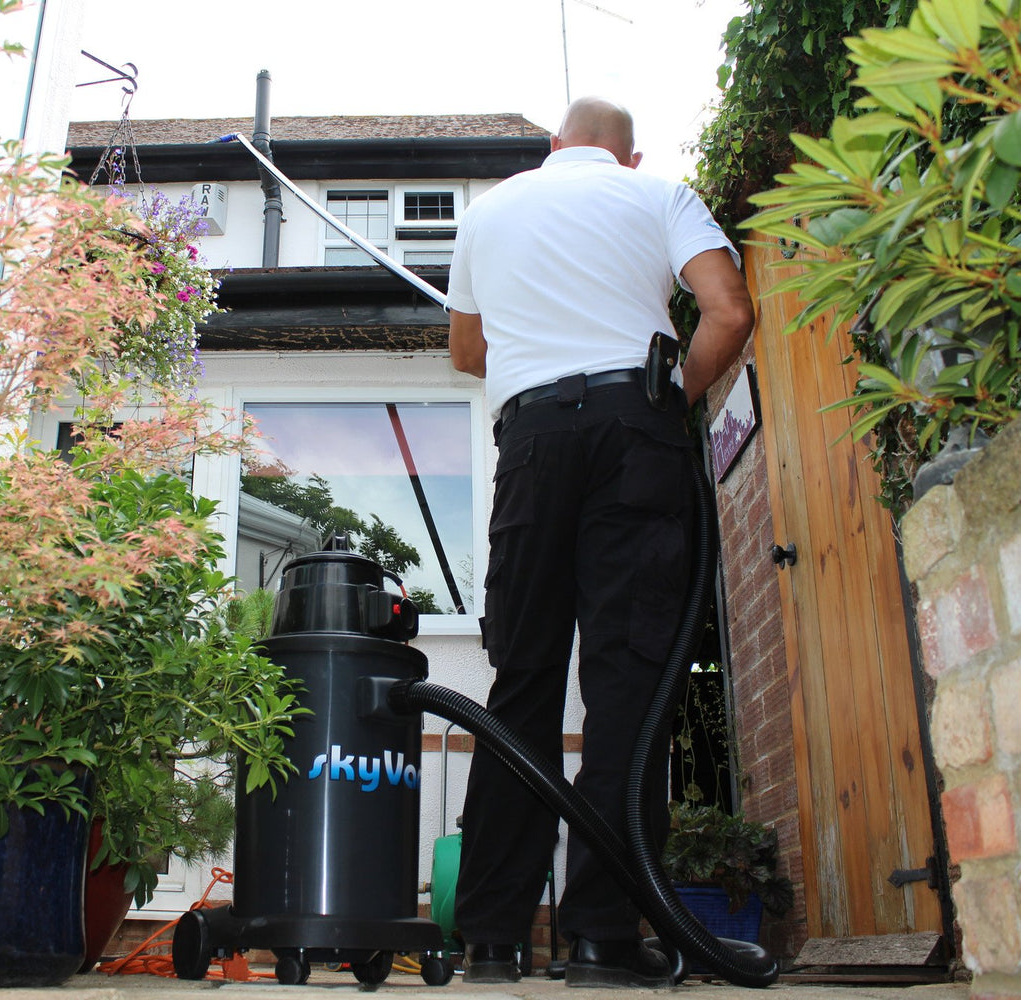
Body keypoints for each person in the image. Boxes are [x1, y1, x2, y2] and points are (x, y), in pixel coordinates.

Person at [444, 96, 755, 989]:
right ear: (630, 155)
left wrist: (536, 349)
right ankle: (601, 940)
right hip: (636, 431)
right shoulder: (658, 194)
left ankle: (493, 940)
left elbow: (467, 353)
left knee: (523, 682)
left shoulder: (489, 212)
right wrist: (672, 398)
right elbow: (728, 312)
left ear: (553, 147)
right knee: (628, 686)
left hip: (533, 440)